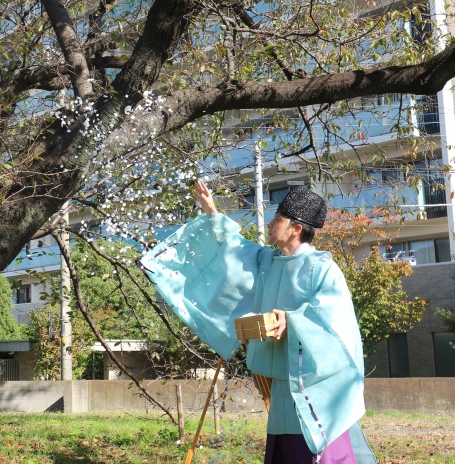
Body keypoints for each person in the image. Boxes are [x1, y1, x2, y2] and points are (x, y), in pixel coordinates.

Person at [139, 181, 375, 463]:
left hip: (314, 386)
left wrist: (291, 321)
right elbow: (235, 251)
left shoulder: (322, 267)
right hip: (280, 384)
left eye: (278, 220)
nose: (271, 225)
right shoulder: (268, 261)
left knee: (319, 450)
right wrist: (212, 211)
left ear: (296, 229)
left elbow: (333, 317)